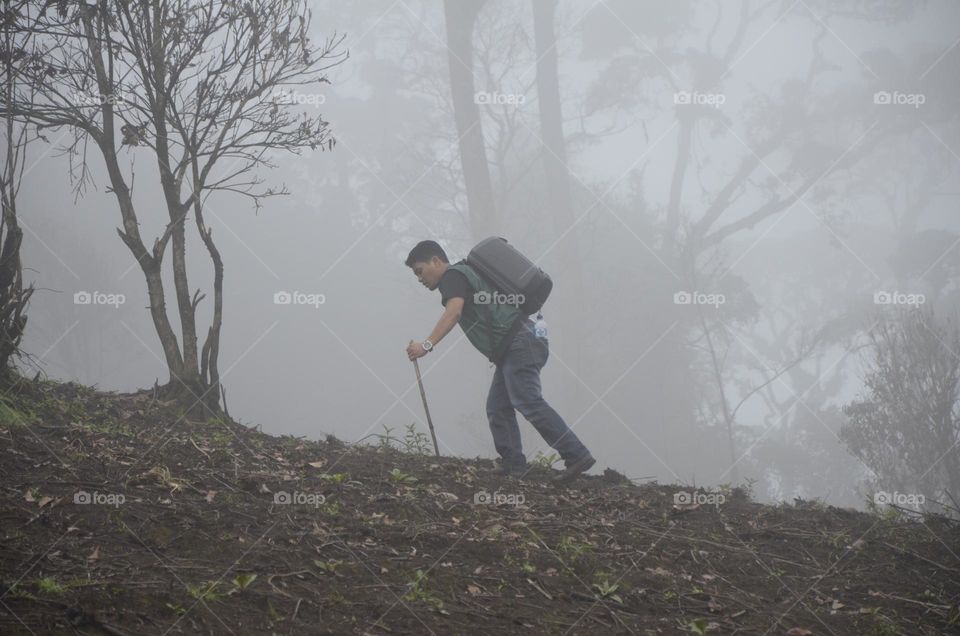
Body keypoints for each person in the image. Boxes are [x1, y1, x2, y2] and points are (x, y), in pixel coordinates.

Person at [404, 239, 595, 483]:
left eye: (420, 271)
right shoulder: (464, 273)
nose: (419, 278)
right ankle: (513, 465)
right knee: (498, 407)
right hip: (517, 342)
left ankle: (576, 454)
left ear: (436, 261)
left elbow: (453, 313)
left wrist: (426, 345)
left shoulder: (452, 277)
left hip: (518, 341)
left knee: (528, 400)